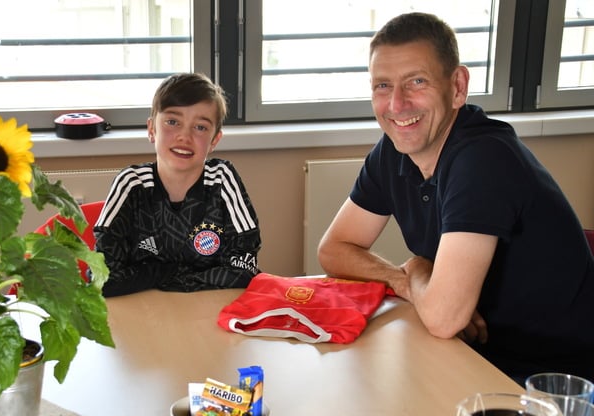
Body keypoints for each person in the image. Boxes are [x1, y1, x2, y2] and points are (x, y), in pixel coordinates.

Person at [317, 12, 594, 382]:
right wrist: (406, 280)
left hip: (556, 378)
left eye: (417, 81)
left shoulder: (484, 159)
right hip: (475, 356)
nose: (397, 105)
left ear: (458, 87)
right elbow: (334, 249)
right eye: (382, 86)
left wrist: (417, 267)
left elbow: (445, 318)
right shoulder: (392, 152)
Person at [94, 72, 261, 297]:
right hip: (144, 315)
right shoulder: (131, 184)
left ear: (214, 140)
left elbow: (244, 270)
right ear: (152, 129)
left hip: (208, 314)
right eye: (173, 122)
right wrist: (165, 272)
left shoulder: (224, 179)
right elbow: (102, 278)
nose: (184, 136)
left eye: (200, 127)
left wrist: (160, 277)